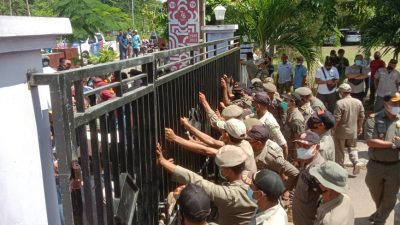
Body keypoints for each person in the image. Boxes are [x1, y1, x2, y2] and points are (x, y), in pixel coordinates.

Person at [156, 143, 257, 225]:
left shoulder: (230, 195)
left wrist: (163, 161)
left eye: (221, 168)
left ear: (226, 171)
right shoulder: (256, 180)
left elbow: (197, 181)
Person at [166, 118, 257, 173]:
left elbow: (205, 150)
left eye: (223, 130)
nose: (221, 132)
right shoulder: (243, 142)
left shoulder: (233, 152)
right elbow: (212, 142)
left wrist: (175, 138)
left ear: (226, 135)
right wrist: (188, 126)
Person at [364, 94, 400, 225]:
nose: (397, 107)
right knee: (375, 192)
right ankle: (380, 211)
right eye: (394, 104)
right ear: (386, 104)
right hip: (375, 165)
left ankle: (380, 220)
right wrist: (393, 144)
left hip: (395, 166)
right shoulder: (374, 119)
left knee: (390, 197)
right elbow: (370, 141)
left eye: (399, 104)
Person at [246, 125, 299, 192]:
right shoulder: (249, 146)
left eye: (248, 140)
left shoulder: (272, 157)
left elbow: (295, 173)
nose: (245, 141)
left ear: (258, 143)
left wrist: (283, 189)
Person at [292, 130, 325, 225]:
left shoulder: (319, 171)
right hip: (300, 218)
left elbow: (323, 203)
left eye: (305, 146)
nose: (301, 149)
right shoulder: (306, 162)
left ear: (317, 147)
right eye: (299, 145)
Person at [333, 83, 364, 175]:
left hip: (340, 131)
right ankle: (356, 162)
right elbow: (362, 116)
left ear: (341, 92)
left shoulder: (339, 103)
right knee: (352, 148)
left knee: (339, 151)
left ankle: (340, 170)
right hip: (353, 131)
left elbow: (337, 118)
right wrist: (360, 126)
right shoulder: (358, 102)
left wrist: (333, 129)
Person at [310, 161, 355, 225]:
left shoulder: (329, 221)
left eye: (317, 180)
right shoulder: (345, 197)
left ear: (328, 188)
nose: (315, 182)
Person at [252, 92, 289, 159]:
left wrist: (283, 164)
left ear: (258, 106)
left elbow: (284, 145)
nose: (252, 106)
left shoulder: (270, 123)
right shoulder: (256, 115)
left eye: (253, 103)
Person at [281, 92, 305, 161]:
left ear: (293, 102)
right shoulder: (289, 111)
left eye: (285, 100)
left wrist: (296, 158)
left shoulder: (296, 118)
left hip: (291, 152)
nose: (283, 102)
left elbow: (299, 139)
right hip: (287, 146)